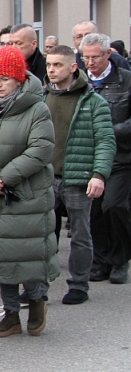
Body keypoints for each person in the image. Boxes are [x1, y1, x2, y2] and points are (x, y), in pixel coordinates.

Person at [0, 45, 58, 337]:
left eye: (5, 78)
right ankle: (10, 314)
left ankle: (36, 301)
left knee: (28, 253)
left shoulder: (37, 108)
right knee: (0, 255)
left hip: (28, 195)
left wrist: (4, 177)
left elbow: (41, 149)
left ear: (19, 79)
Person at [44, 45, 114, 305]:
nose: (51, 70)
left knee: (81, 235)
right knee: (43, 234)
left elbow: (106, 140)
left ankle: (79, 285)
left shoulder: (92, 101)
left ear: (73, 67)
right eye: (49, 64)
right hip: (46, 178)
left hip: (78, 177)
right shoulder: (41, 97)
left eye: (58, 65)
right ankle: (39, 285)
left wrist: (99, 174)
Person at [79, 33, 131, 284]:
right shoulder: (78, 81)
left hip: (120, 157)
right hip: (87, 156)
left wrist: (110, 130)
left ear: (108, 54)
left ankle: (120, 259)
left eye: (95, 57)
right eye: (85, 57)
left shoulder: (126, 80)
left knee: (114, 206)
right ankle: (100, 260)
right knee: (94, 212)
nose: (89, 62)